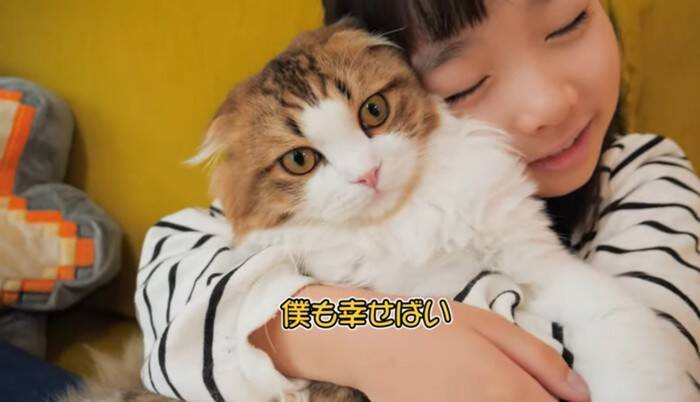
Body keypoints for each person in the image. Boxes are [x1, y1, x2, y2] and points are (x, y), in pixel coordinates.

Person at [136, 1, 700, 401]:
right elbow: (172, 282)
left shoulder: (648, 178)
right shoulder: (284, 218)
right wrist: (375, 332)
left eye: (568, 22)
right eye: (465, 83)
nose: (545, 105)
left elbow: (647, 360)